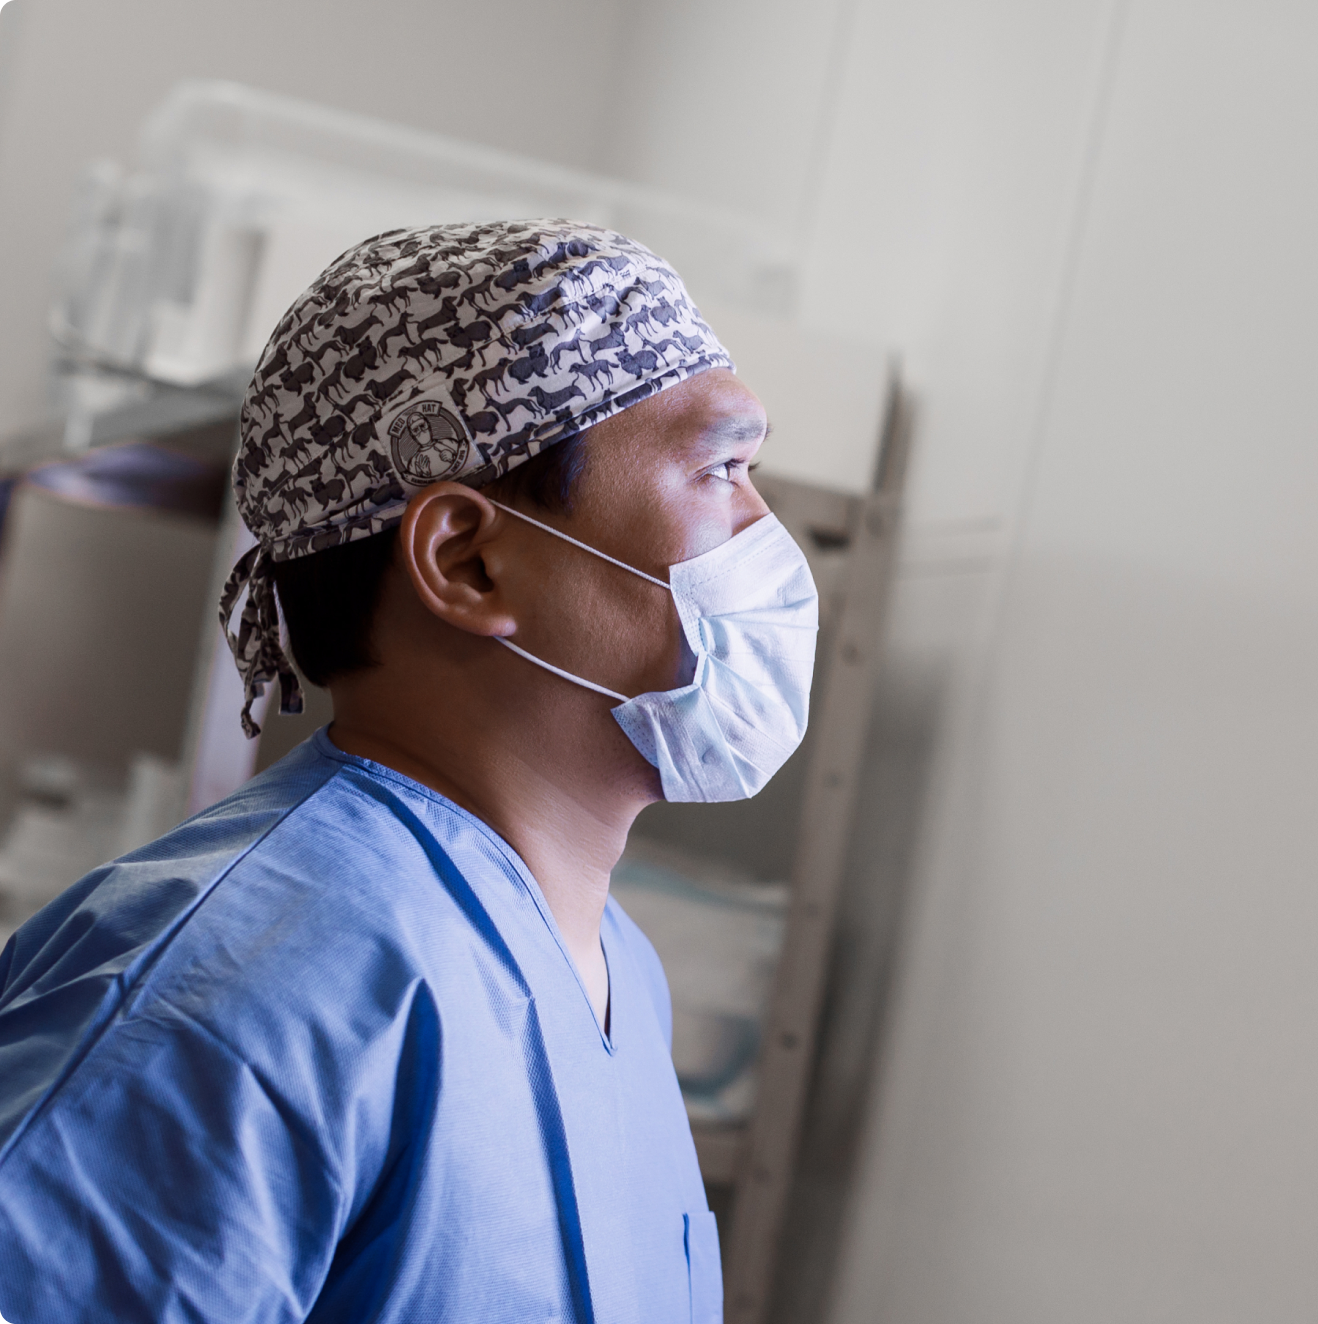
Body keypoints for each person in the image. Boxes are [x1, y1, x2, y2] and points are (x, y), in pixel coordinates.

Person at [0, 220, 818, 1322]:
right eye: (720, 470)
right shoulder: (234, 992)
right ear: (467, 562)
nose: (769, 541)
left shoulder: (614, 967)